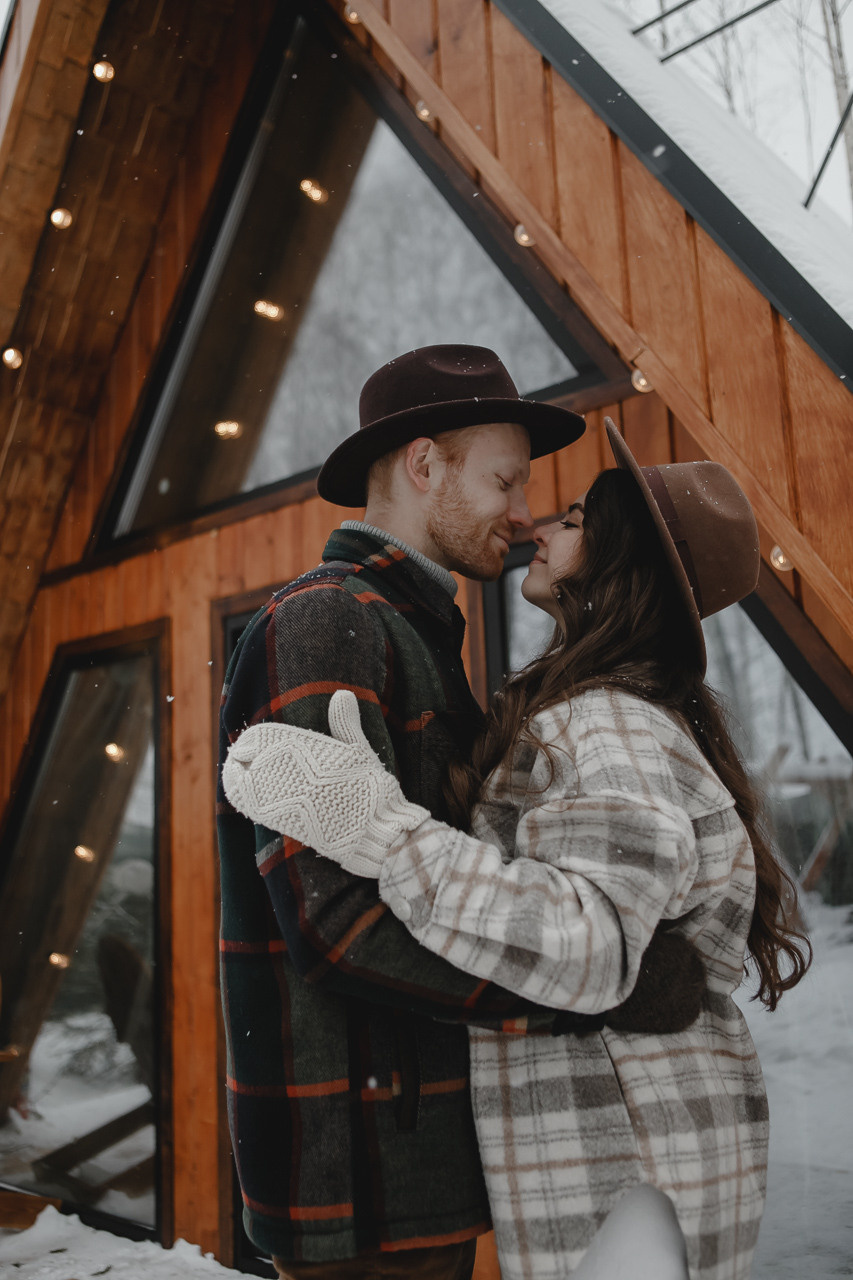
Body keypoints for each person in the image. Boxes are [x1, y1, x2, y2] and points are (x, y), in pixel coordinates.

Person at [224, 419, 812, 1280]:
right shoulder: (370, 630)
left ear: (619, 566)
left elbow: (591, 944)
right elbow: (341, 927)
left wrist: (387, 834)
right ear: (424, 465)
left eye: (570, 516)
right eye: (513, 485)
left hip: (627, 1149)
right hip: (600, 1144)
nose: (533, 520)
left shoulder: (605, 721)